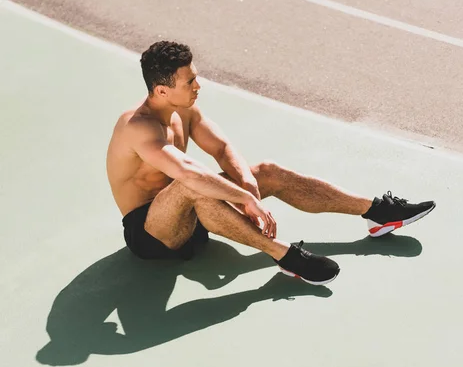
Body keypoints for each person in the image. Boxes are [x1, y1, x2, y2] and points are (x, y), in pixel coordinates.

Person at [106, 41, 436, 286]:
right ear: (162, 91)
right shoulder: (138, 127)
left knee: (266, 172)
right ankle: (286, 256)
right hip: (152, 235)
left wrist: (248, 184)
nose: (198, 86)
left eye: (195, 77)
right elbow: (188, 173)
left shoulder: (184, 109)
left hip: (193, 216)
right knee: (193, 185)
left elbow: (221, 148)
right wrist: (245, 199)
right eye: (189, 82)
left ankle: (376, 211)